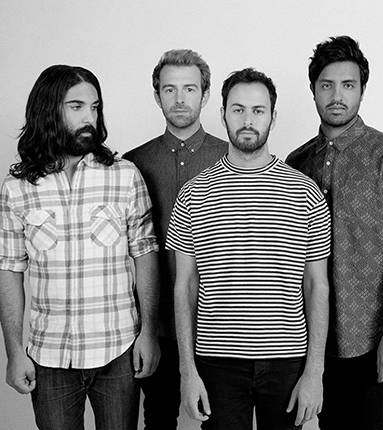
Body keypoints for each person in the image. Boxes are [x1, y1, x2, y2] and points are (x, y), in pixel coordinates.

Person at [166, 67, 331, 430]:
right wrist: (187, 371)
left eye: (258, 110)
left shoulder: (305, 192)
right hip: (216, 363)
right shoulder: (193, 193)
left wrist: (314, 372)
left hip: (287, 361)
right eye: (238, 109)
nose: (248, 120)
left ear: (273, 116)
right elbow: (185, 286)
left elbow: (317, 285)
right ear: (223, 113)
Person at [0, 65, 160, 430]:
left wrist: (149, 334)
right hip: (49, 356)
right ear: (48, 110)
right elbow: (9, 269)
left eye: (95, 107)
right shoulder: (16, 188)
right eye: (77, 107)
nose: (90, 117)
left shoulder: (125, 176)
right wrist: (14, 351)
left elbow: (146, 256)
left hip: (118, 350)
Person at [286, 35, 383, 429]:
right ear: (313, 89)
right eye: (327, 85)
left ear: (362, 89)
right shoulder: (297, 163)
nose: (337, 96)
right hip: (305, 339)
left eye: (348, 85)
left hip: (370, 337)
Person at [123, 49, 227, 429]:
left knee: (222, 422)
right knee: (158, 421)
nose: (180, 99)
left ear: (205, 94)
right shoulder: (132, 164)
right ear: (157, 96)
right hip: (156, 328)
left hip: (221, 329)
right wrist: (146, 330)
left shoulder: (233, 158)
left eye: (189, 89)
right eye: (170, 89)